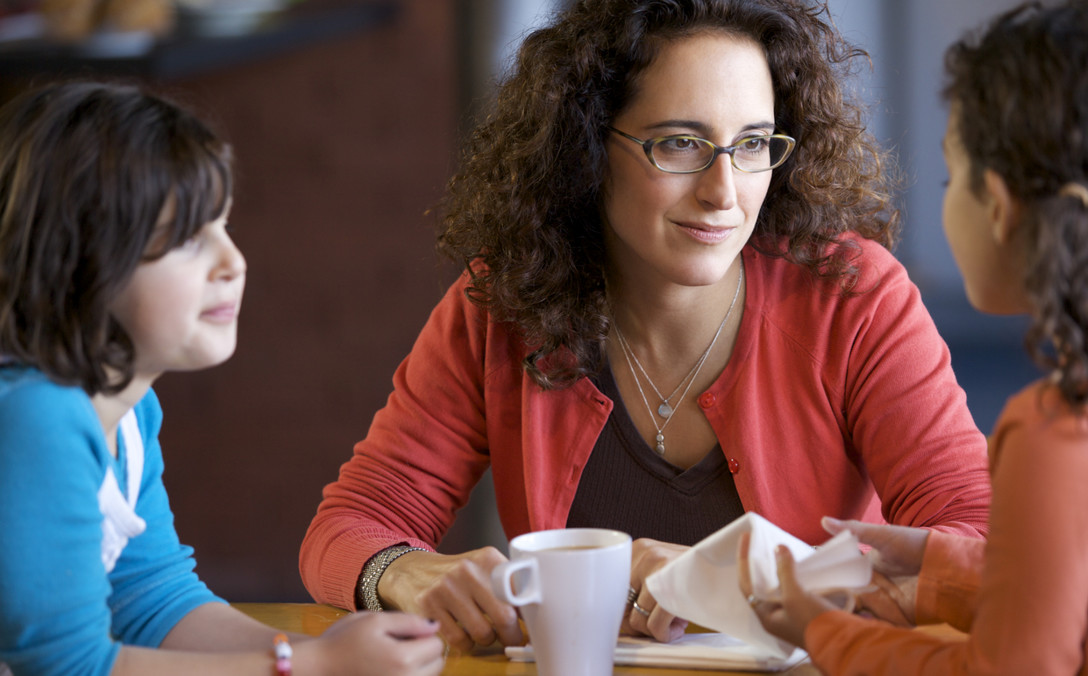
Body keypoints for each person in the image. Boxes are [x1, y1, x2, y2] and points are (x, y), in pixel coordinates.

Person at [300, 0, 993, 653]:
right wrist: (403, 571)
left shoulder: (851, 296)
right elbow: (348, 527)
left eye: (752, 144)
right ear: (588, 146)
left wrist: (748, 575)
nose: (725, 191)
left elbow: (983, 544)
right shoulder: (505, 303)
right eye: (682, 144)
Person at [737, 0, 1088, 672]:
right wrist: (934, 566)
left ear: (1004, 210)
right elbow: (1087, 584)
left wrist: (824, 633)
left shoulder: (1063, 434)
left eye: (955, 178)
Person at [0, 82, 444, 676]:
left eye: (223, 225)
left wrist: (320, 654)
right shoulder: (36, 418)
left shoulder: (129, 410)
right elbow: (69, 668)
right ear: (78, 259)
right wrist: (316, 670)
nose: (232, 262)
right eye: (188, 239)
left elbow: (154, 601)